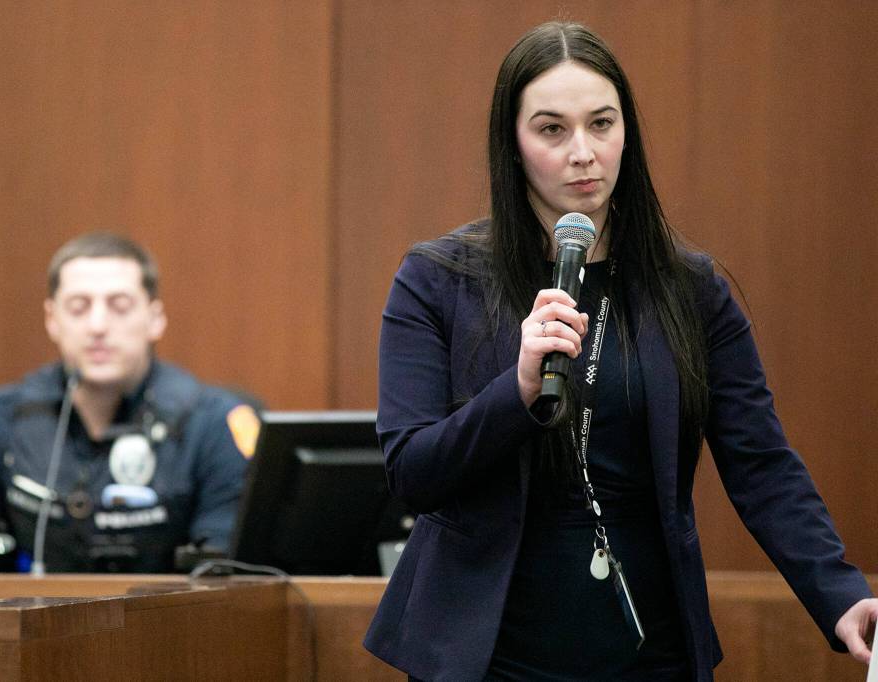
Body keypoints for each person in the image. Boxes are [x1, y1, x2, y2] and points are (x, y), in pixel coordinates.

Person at [363, 21, 877, 681]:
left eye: (601, 124)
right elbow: (412, 470)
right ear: (512, 144)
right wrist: (515, 392)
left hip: (647, 648)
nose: (584, 152)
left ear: (626, 134)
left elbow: (762, 465)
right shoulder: (439, 280)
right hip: (489, 654)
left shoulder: (690, 291)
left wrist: (838, 595)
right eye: (552, 129)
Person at [0, 232, 260, 573]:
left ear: (155, 319)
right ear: (52, 319)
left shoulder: (212, 423)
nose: (98, 325)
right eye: (79, 307)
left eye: (119, 306)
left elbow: (227, 577)